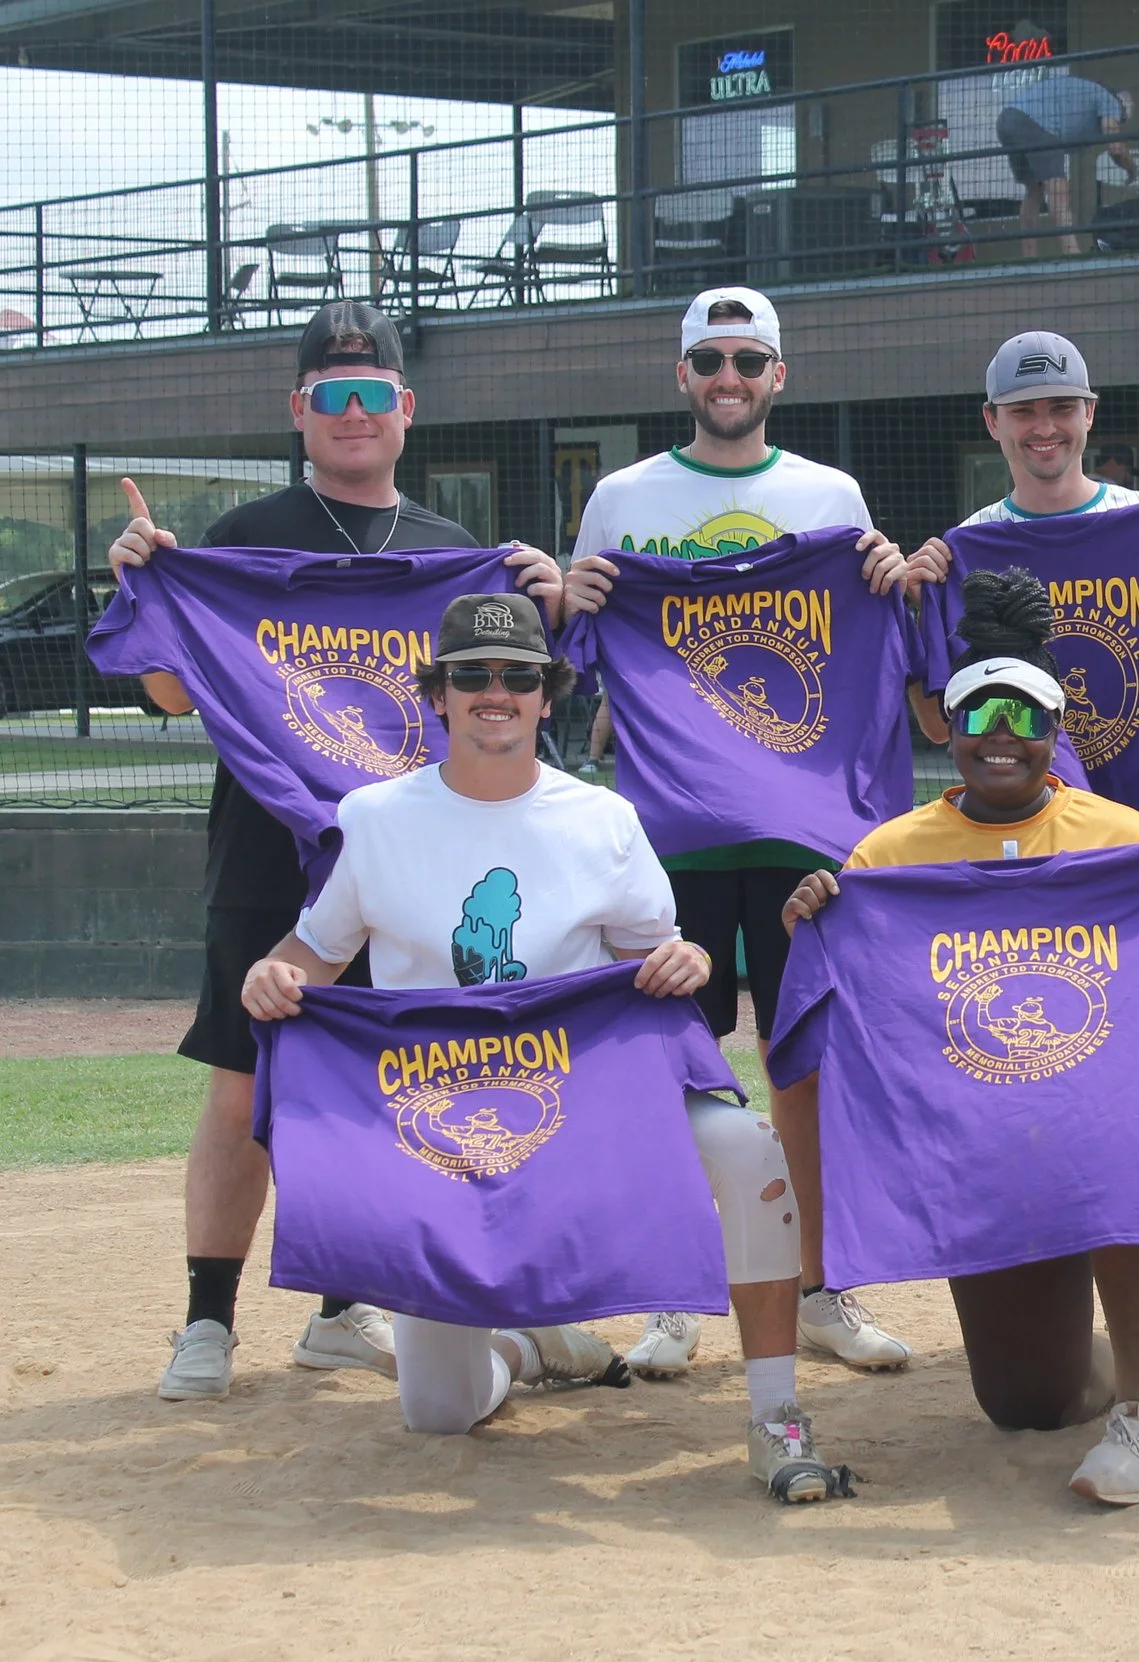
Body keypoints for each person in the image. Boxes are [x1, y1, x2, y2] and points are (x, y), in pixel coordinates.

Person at [238, 593, 843, 1503]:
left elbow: (664, 954)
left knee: (750, 1147)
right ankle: (532, 1347)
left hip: (587, 1091)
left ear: (545, 695)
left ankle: (776, 1413)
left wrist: (689, 957)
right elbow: (312, 957)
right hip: (435, 1121)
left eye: (518, 676)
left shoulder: (600, 818)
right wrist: (270, 978)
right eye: (471, 675)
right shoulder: (374, 816)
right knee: (438, 1409)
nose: (496, 692)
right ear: (437, 694)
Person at [113, 302, 563, 1403]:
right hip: (270, 853)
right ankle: (206, 1320)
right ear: (299, 411)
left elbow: (506, 709)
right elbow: (172, 691)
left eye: (374, 394)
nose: (354, 413)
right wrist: (147, 579)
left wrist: (544, 601)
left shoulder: (456, 556)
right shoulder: (237, 538)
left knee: (392, 1084)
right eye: (332, 395)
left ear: (406, 409)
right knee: (240, 1084)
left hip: (414, 862)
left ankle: (341, 1311)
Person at [780, 568, 1139, 1504]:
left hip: (1097, 1136)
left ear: (1056, 731)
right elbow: (824, 1036)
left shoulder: (1124, 840)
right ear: (945, 721)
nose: (1001, 735)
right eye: (979, 711)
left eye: (1025, 715)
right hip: (982, 1154)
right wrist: (822, 920)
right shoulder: (886, 858)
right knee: (1028, 1399)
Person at [559, 286, 914, 1379]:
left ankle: (819, 1286)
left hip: (806, 831)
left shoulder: (831, 492)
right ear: (681, 375)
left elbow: (875, 633)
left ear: (777, 377)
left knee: (804, 1057)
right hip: (671, 833)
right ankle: (680, 1292)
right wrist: (574, 600)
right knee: (679, 1062)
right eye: (709, 359)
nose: (728, 377)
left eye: (747, 360)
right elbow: (576, 649)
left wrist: (893, 585)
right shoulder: (622, 498)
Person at [901, 332, 1139, 1374]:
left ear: (1091, 414)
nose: (1044, 427)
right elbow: (935, 718)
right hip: (1028, 865)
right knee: (1046, 1047)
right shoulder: (962, 548)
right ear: (994, 426)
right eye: (1024, 412)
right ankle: (1060, 1249)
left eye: (1061, 408)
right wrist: (917, 590)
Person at [995, 41, 1137, 257]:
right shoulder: (1110, 101)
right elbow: (1115, 145)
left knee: (1034, 190)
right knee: (1058, 187)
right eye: (1122, 119)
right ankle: (1072, 252)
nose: (1119, 121)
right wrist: (1132, 169)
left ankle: (1029, 257)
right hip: (1036, 124)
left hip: (1007, 119)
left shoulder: (1085, 91)